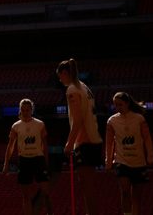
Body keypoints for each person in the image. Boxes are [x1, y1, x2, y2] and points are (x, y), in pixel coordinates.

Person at [56, 58, 101, 215]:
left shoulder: (72, 89)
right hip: (94, 139)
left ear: (64, 73)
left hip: (85, 141)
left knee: (87, 186)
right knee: (89, 185)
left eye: (60, 76)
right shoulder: (84, 87)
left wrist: (69, 143)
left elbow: (78, 119)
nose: (60, 80)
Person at [105, 92, 153, 215]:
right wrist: (108, 159)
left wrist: (150, 155)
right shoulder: (112, 121)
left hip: (138, 161)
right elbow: (109, 142)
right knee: (125, 190)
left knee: (136, 195)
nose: (117, 107)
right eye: (115, 105)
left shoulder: (139, 119)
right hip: (121, 161)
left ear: (127, 103)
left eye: (120, 104)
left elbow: (147, 138)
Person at [1, 99, 53, 215]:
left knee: (46, 192)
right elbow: (10, 146)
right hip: (24, 160)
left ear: (31, 110)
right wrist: (6, 164)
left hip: (38, 159)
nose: (25, 112)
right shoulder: (16, 126)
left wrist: (46, 162)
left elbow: (45, 145)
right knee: (26, 196)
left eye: (27, 110)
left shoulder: (40, 124)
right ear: (20, 110)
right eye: (23, 110)